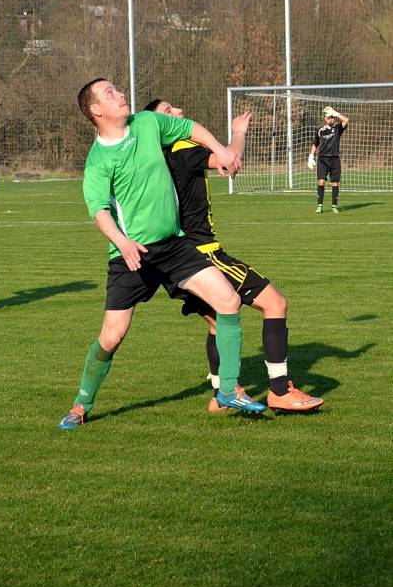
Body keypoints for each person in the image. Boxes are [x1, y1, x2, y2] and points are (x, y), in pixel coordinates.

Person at [58, 79, 268, 430]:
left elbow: (191, 128)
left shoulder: (148, 122)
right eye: (110, 93)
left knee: (228, 302)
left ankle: (228, 391)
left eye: (117, 89)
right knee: (112, 336)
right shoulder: (98, 160)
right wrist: (122, 243)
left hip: (174, 245)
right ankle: (81, 404)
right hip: (132, 254)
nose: (121, 93)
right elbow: (99, 210)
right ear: (96, 110)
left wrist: (222, 147)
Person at [144, 98, 324, 413]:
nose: (179, 112)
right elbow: (230, 161)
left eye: (176, 108)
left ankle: (220, 394)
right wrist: (238, 133)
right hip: (203, 253)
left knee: (217, 323)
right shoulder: (180, 148)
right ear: (157, 125)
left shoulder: (163, 156)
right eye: (168, 112)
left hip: (177, 256)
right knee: (275, 303)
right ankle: (280, 391)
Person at [308, 105, 349, 214]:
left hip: (335, 159)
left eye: (332, 117)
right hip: (322, 160)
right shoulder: (320, 130)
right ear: (325, 119)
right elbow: (315, 144)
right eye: (329, 117)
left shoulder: (338, 128)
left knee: (335, 183)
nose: (332, 119)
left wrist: (336, 113)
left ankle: (334, 206)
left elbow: (346, 120)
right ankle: (320, 206)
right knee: (321, 182)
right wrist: (311, 156)